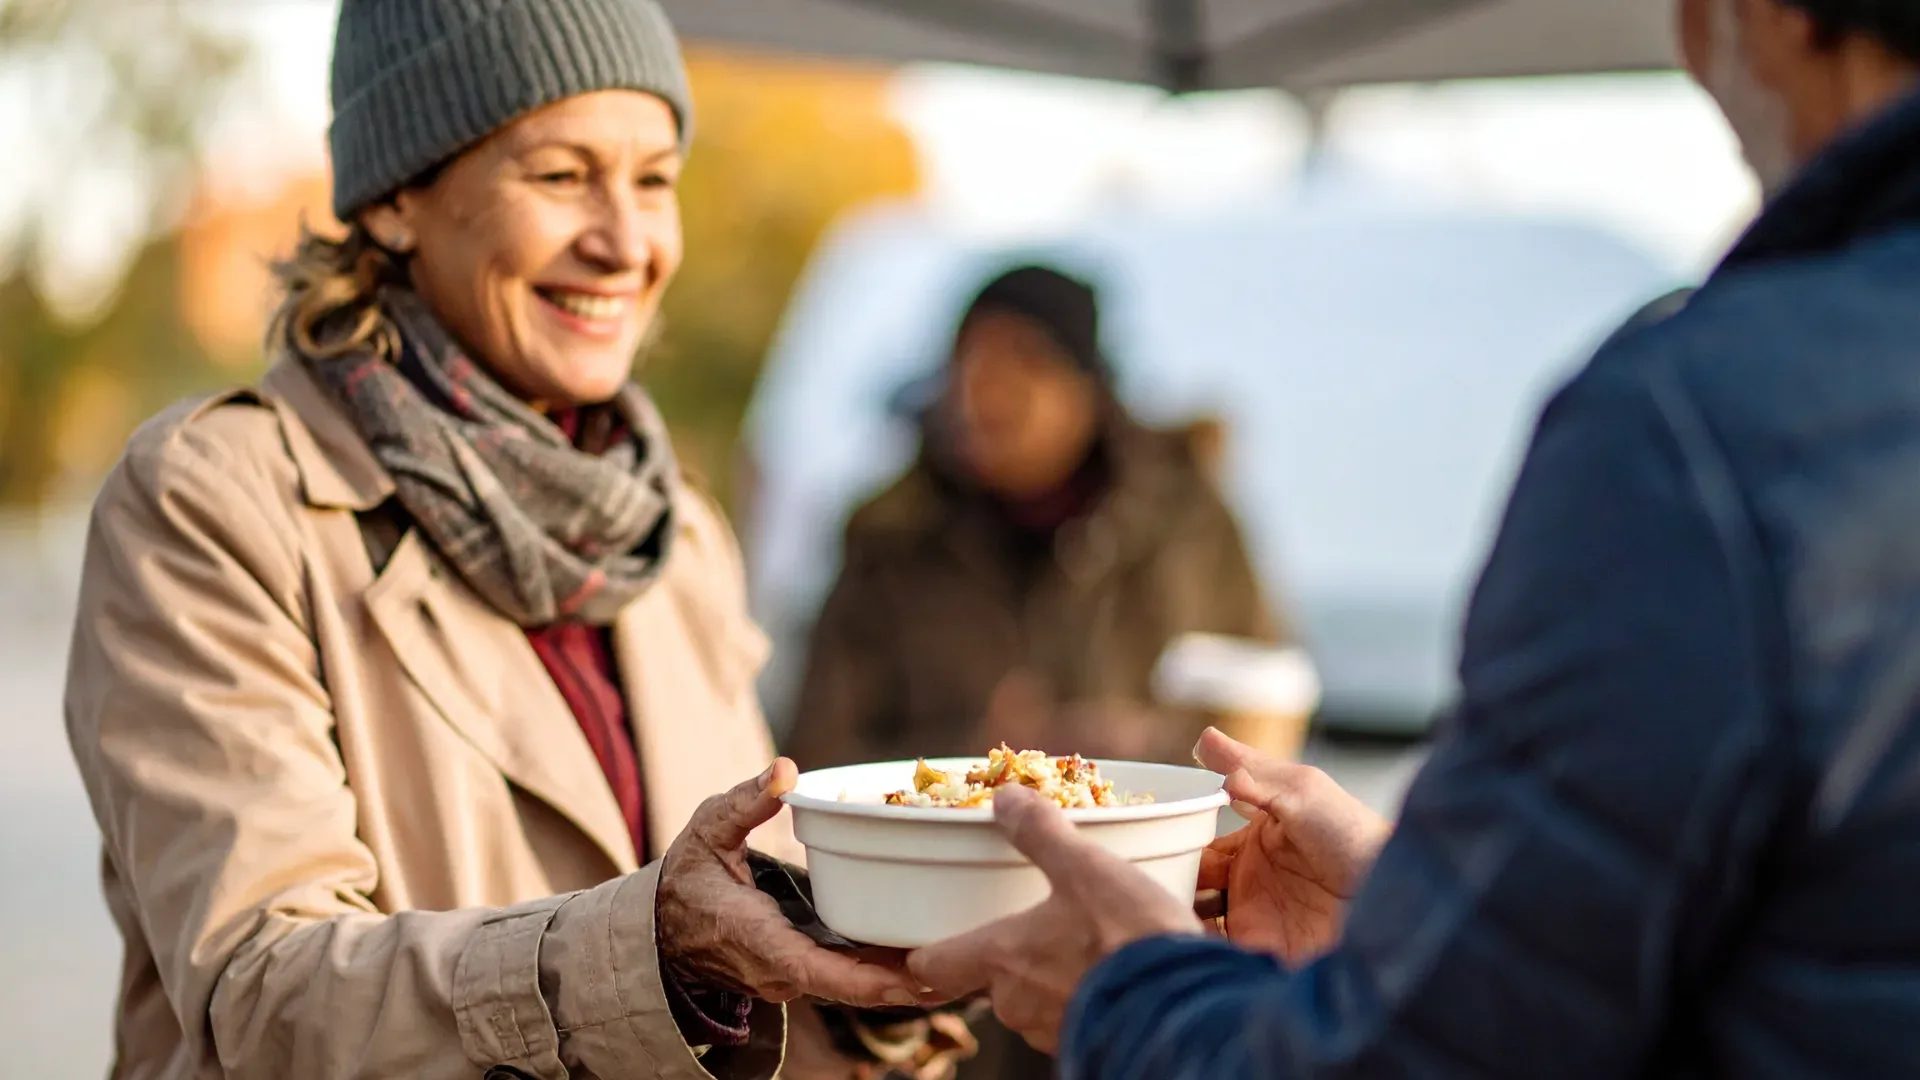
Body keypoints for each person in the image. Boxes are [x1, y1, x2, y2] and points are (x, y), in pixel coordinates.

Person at [907, 0, 1920, 1076]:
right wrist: (1423, 911)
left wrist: (1131, 990)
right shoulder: (894, 538)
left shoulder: (1701, 421)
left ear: (1773, 17)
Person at [60, 3, 969, 1078]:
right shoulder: (218, 502)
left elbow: (741, 967)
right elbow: (263, 995)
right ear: (398, 197)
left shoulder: (676, 538)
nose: (626, 242)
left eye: (653, 179)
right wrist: (651, 951)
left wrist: (891, 973)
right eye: (559, 176)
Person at [785, 264, 1299, 782]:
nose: (983, 389)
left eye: (1025, 359)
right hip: (953, 856)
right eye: (967, 359)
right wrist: (973, 755)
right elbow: (816, 757)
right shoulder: (891, 542)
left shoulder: (1187, 520)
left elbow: (1267, 704)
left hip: (1152, 848)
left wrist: (1149, 743)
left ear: (1086, 386)